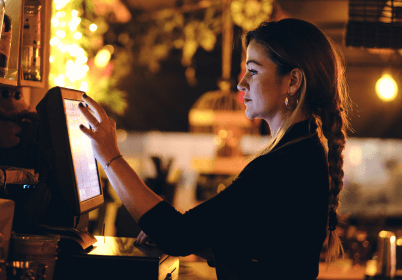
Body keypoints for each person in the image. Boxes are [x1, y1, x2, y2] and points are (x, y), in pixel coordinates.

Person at [78, 18, 351, 279]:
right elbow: (264, 253)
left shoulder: (283, 164)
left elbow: (177, 235)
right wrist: (190, 238)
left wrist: (109, 155)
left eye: (253, 72)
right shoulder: (302, 151)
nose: (241, 84)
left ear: (293, 81)